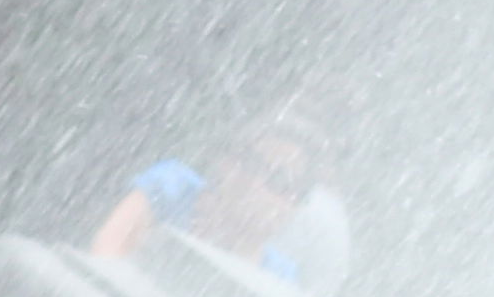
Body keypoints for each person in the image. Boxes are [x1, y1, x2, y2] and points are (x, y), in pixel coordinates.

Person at [88, 117, 324, 280]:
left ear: (294, 205)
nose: (256, 184)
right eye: (252, 163)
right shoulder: (172, 188)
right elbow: (107, 250)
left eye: (279, 181)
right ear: (225, 161)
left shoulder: (278, 278)